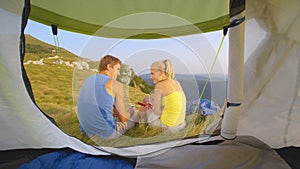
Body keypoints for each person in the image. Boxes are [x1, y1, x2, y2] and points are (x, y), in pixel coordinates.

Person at [77, 55, 134, 139]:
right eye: (117, 69)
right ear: (109, 67)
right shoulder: (114, 84)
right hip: (106, 134)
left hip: (85, 131)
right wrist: (131, 111)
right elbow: (123, 118)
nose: (118, 73)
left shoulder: (88, 79)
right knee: (135, 116)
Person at [139, 59, 186, 133]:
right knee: (150, 99)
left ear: (161, 72)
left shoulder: (160, 85)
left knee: (146, 102)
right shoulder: (177, 83)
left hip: (167, 128)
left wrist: (150, 108)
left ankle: (137, 124)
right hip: (181, 125)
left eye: (152, 73)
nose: (151, 77)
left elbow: (157, 112)